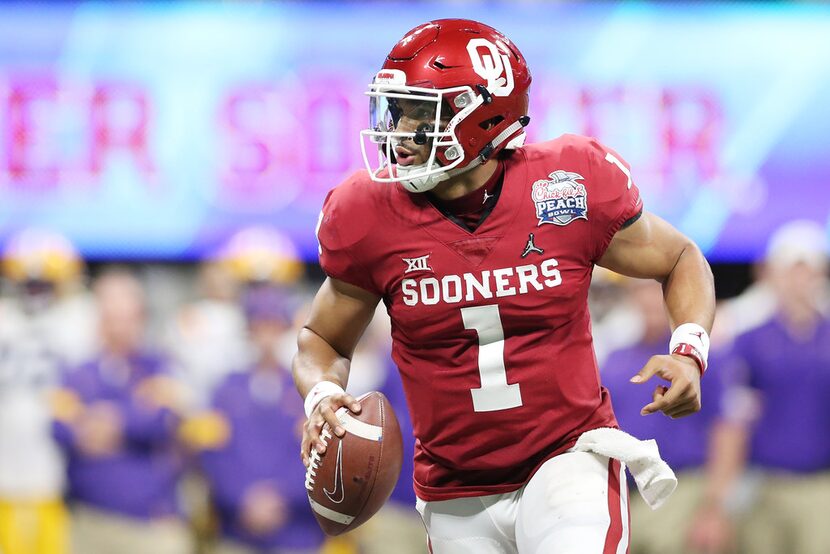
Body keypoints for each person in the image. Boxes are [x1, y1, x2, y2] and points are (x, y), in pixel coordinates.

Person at [293, 19, 715, 553]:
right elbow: (322, 340)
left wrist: (688, 349)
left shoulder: (566, 184)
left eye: (421, 114)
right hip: (452, 490)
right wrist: (324, 395)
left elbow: (680, 257)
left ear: (484, 116)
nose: (397, 133)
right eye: (397, 111)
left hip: (567, 459)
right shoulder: (367, 214)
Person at [688, 220, 830, 554]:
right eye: (793, 270)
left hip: (821, 486)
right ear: (774, 274)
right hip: (762, 482)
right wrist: (718, 501)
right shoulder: (750, 339)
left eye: (807, 271)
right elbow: (732, 421)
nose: (800, 281)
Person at [51, 269, 193, 554]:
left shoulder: (160, 366)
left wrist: (114, 420)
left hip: (150, 525)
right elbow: (59, 426)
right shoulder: (79, 372)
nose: (118, 327)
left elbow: (163, 420)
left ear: (141, 319)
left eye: (126, 318)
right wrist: (130, 413)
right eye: (110, 317)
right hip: (89, 521)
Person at [197, 285, 326, 554]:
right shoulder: (225, 390)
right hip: (238, 530)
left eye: (272, 325)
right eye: (259, 326)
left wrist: (283, 497)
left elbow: (322, 456)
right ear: (249, 331)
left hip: (296, 533)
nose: (266, 335)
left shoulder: (308, 392)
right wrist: (242, 498)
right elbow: (213, 456)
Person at [599, 279, 723, 554]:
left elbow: (725, 431)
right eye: (641, 291)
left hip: (682, 487)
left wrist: (713, 507)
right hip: (626, 492)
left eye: (656, 291)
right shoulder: (616, 358)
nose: (649, 300)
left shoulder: (695, 361)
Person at [0, 228, 97, 554]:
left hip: (62, 478)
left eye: (45, 281)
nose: (35, 290)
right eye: (29, 281)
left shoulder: (83, 319)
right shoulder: (5, 319)